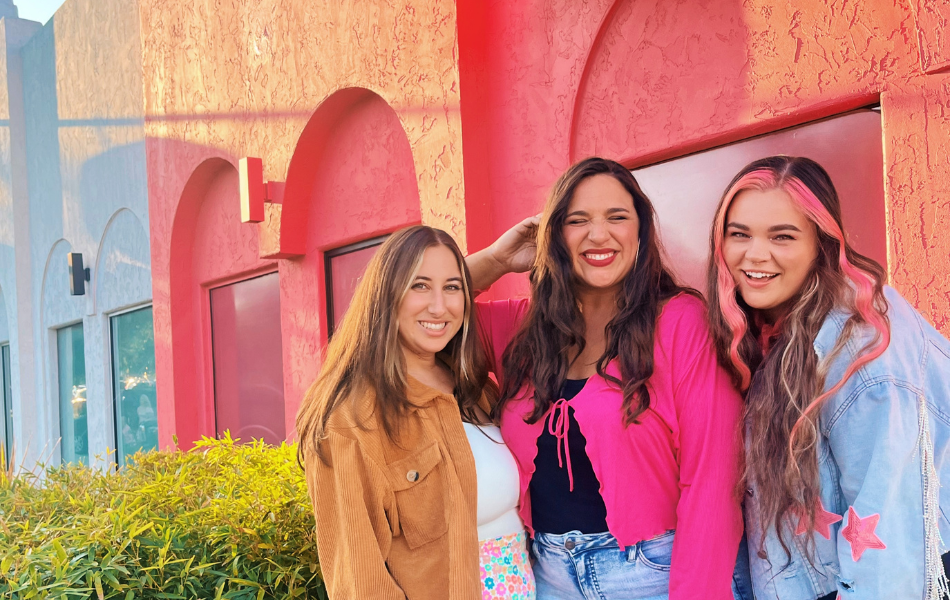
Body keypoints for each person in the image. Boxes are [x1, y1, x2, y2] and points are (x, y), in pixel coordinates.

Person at [467, 157, 748, 600]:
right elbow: (412, 315)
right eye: (577, 220)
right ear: (556, 235)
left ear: (640, 230)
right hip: (547, 577)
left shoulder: (680, 323)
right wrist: (497, 259)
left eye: (617, 217)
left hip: (656, 574)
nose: (599, 234)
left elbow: (713, 479)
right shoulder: (521, 328)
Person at [706, 155, 950, 600]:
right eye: (739, 234)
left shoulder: (860, 339)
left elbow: (888, 521)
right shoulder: (769, 333)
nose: (754, 254)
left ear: (821, 244)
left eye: (782, 236)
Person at [296, 226, 534, 600]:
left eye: (453, 287)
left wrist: (496, 260)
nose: (439, 307)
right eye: (419, 286)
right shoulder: (351, 419)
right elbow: (361, 581)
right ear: (384, 297)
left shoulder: (474, 386)